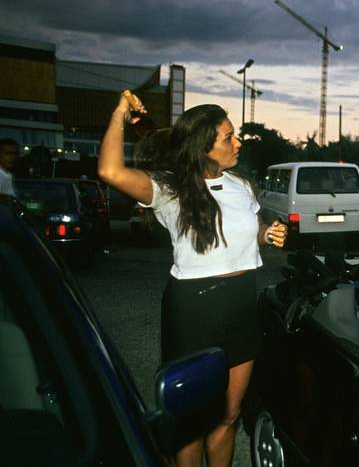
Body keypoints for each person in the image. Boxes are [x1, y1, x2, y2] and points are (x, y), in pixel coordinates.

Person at [98, 92, 287, 467]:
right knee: (191, 422)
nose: (238, 143)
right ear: (204, 147)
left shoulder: (242, 185)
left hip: (240, 303)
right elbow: (110, 172)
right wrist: (120, 115)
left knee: (228, 415)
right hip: (193, 309)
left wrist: (267, 234)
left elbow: (253, 228)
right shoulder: (169, 190)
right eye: (229, 138)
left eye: (236, 136)